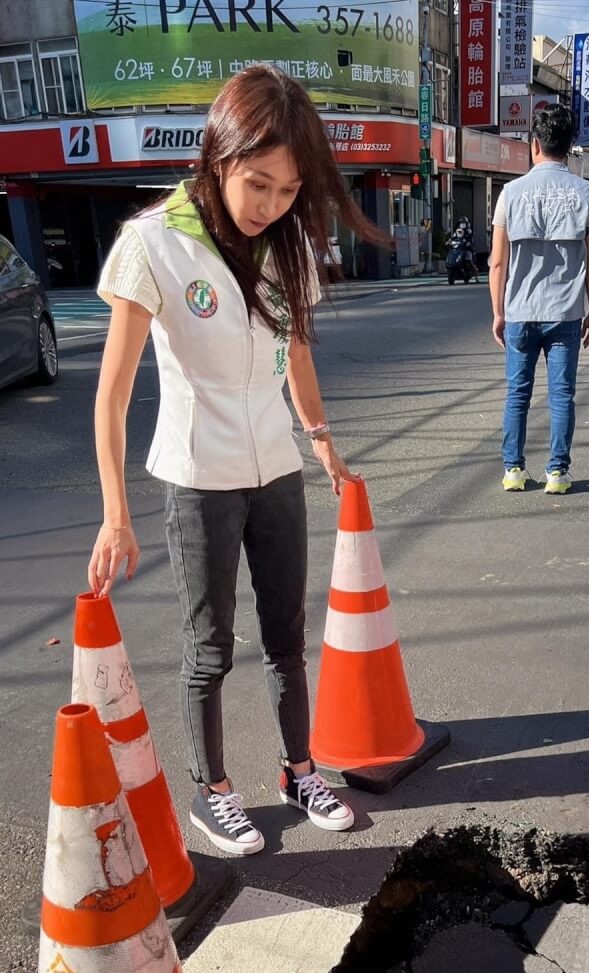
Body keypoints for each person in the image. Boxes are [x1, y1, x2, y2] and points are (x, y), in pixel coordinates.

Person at [88, 66, 380, 855]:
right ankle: (211, 790)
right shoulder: (152, 244)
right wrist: (117, 512)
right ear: (219, 156)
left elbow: (298, 357)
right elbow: (111, 396)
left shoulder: (288, 246)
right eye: (259, 185)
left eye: (288, 191)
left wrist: (321, 442)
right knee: (209, 645)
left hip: (275, 470)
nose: (271, 206)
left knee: (286, 632)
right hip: (197, 479)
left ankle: (297, 768)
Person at [489, 103, 589, 495]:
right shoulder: (587, 195)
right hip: (565, 312)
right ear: (569, 146)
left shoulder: (509, 194)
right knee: (562, 395)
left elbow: (497, 263)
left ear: (534, 145)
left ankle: (513, 470)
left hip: (520, 312)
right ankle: (557, 472)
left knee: (517, 394)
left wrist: (498, 313)